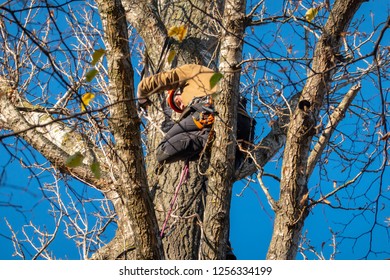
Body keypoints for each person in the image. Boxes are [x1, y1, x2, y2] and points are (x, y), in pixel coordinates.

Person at [137, 64, 255, 167]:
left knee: (162, 151)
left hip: (208, 112)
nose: (182, 106)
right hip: (244, 128)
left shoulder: (192, 71)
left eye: (178, 102)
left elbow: (163, 79)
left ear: (178, 90)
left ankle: (206, 137)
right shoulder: (215, 82)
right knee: (225, 169)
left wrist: (141, 95)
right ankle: (209, 139)